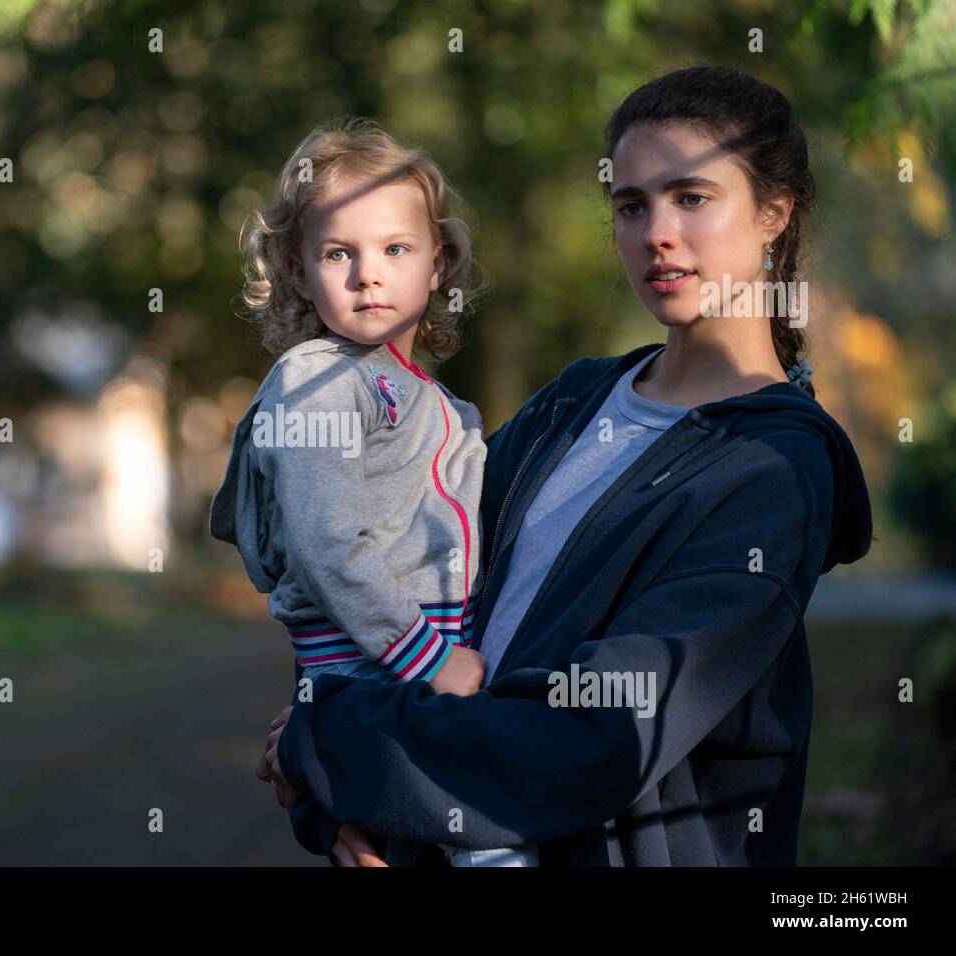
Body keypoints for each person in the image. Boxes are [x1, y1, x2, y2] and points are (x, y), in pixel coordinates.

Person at [257, 66, 874, 867]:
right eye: (630, 204)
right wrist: (336, 792)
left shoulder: (772, 469)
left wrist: (334, 745)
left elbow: (598, 732)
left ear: (773, 213)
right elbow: (397, 584)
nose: (656, 231)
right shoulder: (571, 404)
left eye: (692, 197)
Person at [211, 117, 535, 865]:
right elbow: (330, 544)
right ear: (296, 270)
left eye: (395, 249)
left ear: (439, 262)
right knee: (489, 839)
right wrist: (432, 661)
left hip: (403, 664)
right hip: (375, 667)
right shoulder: (316, 383)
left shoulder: (437, 403)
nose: (369, 274)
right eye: (337, 253)